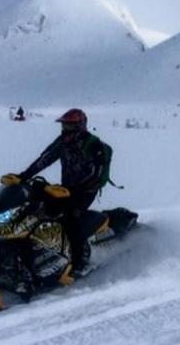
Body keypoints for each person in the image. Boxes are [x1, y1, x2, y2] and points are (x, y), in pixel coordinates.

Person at [14, 108, 111, 276]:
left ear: (80, 126)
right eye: (64, 126)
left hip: (86, 190)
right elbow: (44, 160)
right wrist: (23, 176)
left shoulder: (93, 145)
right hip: (66, 189)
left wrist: (77, 189)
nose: (66, 129)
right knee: (36, 210)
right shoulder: (62, 142)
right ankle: (34, 253)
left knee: (71, 220)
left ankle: (79, 263)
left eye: (70, 126)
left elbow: (96, 174)